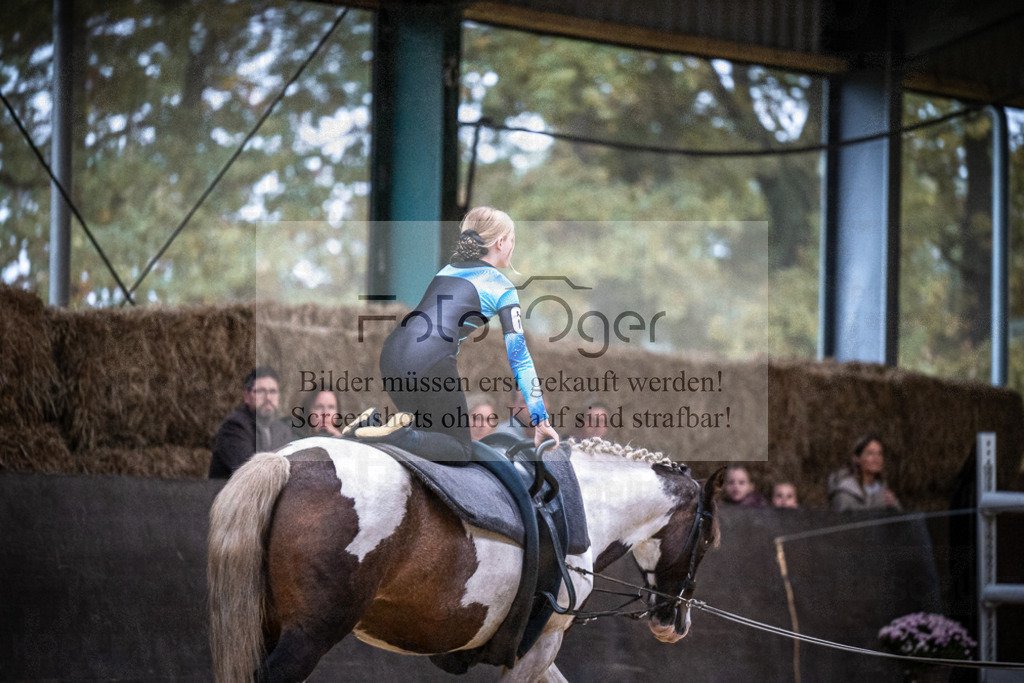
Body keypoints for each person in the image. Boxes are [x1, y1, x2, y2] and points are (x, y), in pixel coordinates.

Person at [351, 206, 560, 462]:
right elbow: (520, 358)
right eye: (512, 241)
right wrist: (540, 419)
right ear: (500, 242)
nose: (512, 249)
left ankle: (369, 426)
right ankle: (396, 437)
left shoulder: (446, 271)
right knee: (459, 449)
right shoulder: (501, 287)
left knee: (429, 438)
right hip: (430, 360)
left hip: (391, 355)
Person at [209, 366, 292, 478]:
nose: (268, 397)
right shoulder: (234, 427)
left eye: (273, 391)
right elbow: (249, 471)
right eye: (261, 391)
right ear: (247, 396)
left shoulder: (282, 430)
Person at [828, 433, 901, 511]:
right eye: (870, 453)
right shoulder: (845, 492)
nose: (876, 458)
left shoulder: (884, 491)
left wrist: (894, 506)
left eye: (879, 454)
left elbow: (898, 519)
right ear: (857, 459)